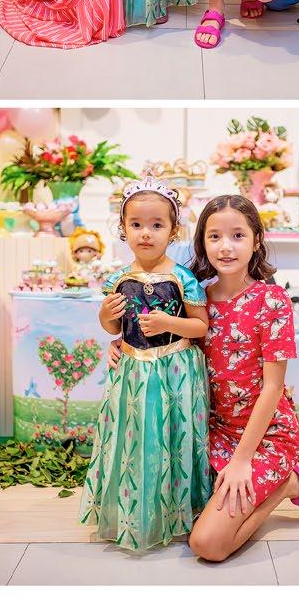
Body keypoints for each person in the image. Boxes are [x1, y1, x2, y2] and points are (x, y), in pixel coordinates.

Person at [185, 195, 299, 564]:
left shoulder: (272, 301)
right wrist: (120, 346)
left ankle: (289, 483)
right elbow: (166, 341)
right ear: (202, 242)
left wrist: (241, 461)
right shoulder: (195, 300)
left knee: (207, 544)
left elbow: (273, 387)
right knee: (178, 518)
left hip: (266, 433)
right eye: (214, 236)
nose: (226, 246)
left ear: (256, 240)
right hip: (214, 433)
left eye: (237, 235)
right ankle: (273, 482)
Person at [80, 179, 211, 552]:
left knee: (171, 435)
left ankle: (176, 511)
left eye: (156, 225)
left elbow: (200, 326)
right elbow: (114, 328)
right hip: (133, 370)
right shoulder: (118, 279)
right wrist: (105, 315)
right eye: (136, 224)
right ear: (123, 228)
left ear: (173, 230)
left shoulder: (182, 277)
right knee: (137, 437)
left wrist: (170, 323)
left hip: (174, 370)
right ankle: (136, 511)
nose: (146, 233)